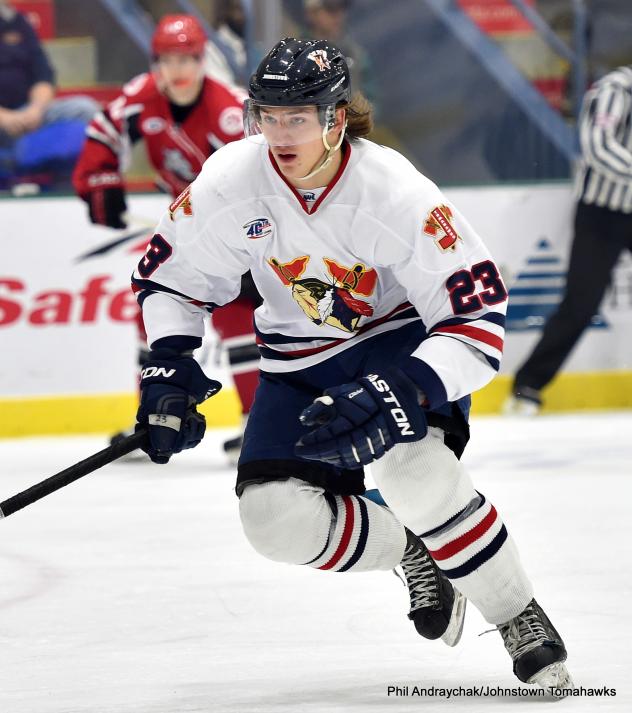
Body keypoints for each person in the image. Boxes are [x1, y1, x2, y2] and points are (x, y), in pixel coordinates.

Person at [131, 38, 572, 690]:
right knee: (272, 520)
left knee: (415, 474)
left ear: (335, 119)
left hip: (394, 344)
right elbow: (170, 276)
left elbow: (477, 316)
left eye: (297, 118)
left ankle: (515, 612)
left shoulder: (392, 190)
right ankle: (416, 547)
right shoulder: (232, 179)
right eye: (268, 116)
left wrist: (406, 386)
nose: (279, 133)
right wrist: (168, 362)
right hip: (297, 361)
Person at [72, 14, 259, 460]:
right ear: (155, 63)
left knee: (237, 316)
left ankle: (256, 424)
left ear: (202, 61)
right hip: (190, 224)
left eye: (187, 59)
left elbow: (263, 173)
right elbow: (104, 132)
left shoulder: (229, 111)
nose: (178, 70)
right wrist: (99, 181)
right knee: (154, 310)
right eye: (168, 60)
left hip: (243, 227)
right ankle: (152, 420)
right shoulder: (143, 96)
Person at [506, 65, 632, 413]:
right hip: (603, 213)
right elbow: (598, 147)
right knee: (581, 303)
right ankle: (527, 385)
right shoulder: (615, 90)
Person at [0, 0, 98, 181]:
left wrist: (35, 110)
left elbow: (43, 75)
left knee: (86, 109)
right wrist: (4, 118)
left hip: (27, 112)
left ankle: (77, 181)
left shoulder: (17, 21)